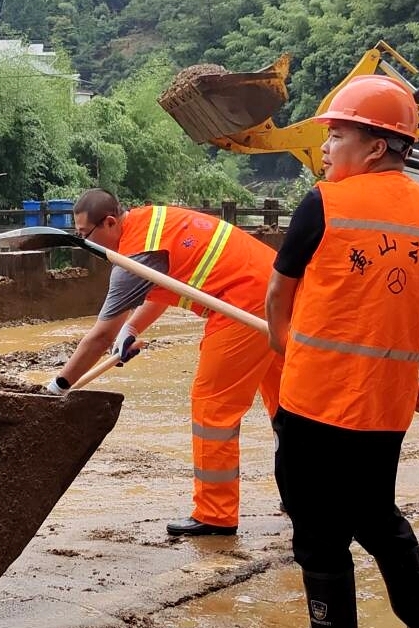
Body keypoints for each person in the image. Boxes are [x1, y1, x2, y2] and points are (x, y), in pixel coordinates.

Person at [265, 76, 419, 628]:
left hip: (314, 403)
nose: (328, 147)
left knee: (318, 532)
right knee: (379, 521)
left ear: (378, 147)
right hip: (387, 410)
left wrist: (284, 342)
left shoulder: (325, 204)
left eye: (338, 134)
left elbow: (279, 291)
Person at [45, 189, 283, 538]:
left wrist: (58, 386)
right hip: (276, 294)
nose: (86, 244)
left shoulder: (134, 257)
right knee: (288, 407)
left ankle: (216, 514)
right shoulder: (148, 224)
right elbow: (164, 286)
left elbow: (99, 336)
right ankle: (308, 496)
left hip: (243, 307)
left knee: (213, 407)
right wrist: (131, 328)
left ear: (110, 222)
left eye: (85, 235)